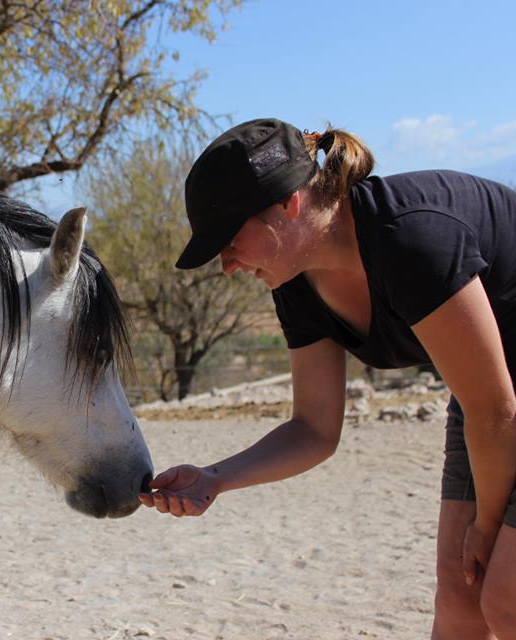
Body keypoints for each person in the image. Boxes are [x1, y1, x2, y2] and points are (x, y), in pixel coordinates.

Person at [138, 118, 516, 639]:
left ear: (289, 204)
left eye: (228, 240)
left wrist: (489, 525)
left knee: (505, 599)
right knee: (460, 597)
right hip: (491, 402)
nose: (226, 266)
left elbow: (496, 411)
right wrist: (215, 478)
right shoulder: (295, 282)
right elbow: (315, 428)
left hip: (496, 407)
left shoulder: (410, 239)